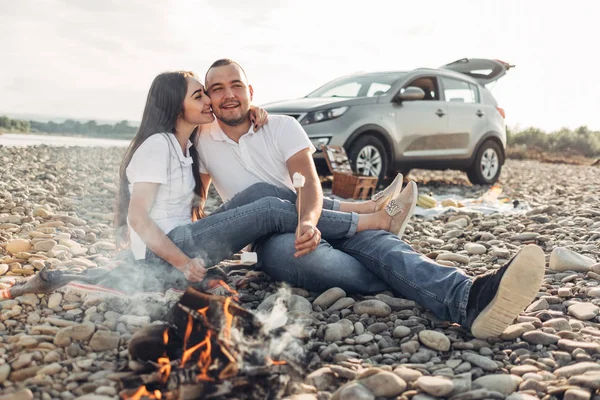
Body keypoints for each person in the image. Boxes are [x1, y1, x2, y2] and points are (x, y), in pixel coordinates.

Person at [197, 59, 546, 339]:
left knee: (382, 247)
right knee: (322, 261)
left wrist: (308, 221)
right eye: (217, 88)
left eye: (236, 85)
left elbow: (310, 185)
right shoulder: (203, 140)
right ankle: (389, 244)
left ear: (250, 91)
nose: (229, 94)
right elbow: (197, 199)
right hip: (270, 238)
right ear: (208, 99)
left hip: (314, 215)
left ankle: (469, 298)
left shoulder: (281, 125)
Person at [114, 70, 410, 290]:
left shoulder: (187, 144)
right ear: (177, 106)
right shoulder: (157, 146)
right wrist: (184, 264)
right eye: (200, 95)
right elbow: (138, 218)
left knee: (263, 192)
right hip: (164, 255)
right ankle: (375, 221)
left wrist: (251, 110)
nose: (209, 101)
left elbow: (196, 197)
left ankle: (366, 207)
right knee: (269, 208)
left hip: (184, 238)